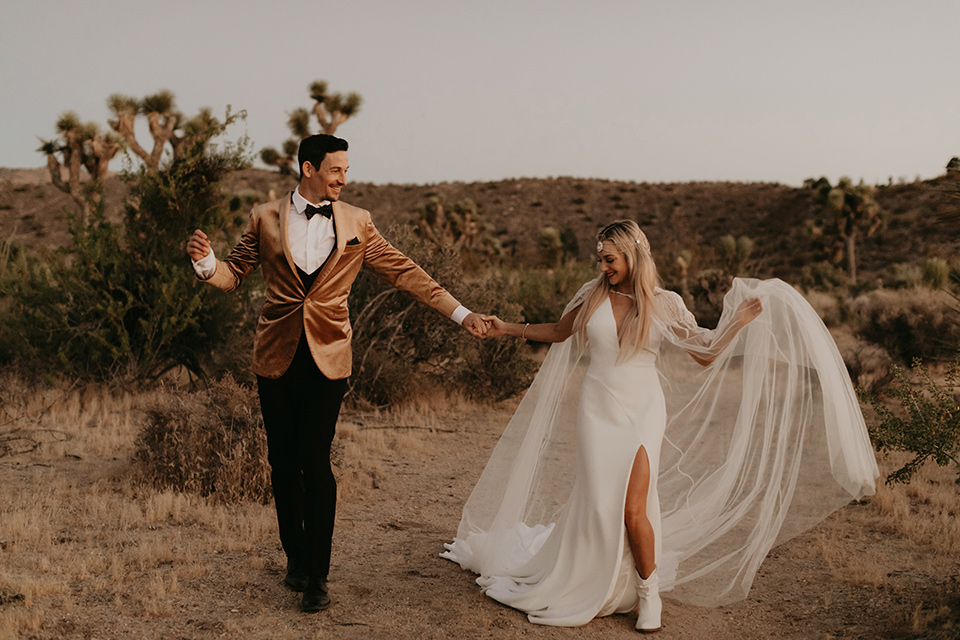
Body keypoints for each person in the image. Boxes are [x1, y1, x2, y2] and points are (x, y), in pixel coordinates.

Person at [442, 220, 878, 632]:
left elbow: (703, 353)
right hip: (597, 407)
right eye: (600, 259)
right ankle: (590, 576)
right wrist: (506, 329)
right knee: (598, 503)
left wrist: (736, 323)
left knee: (634, 508)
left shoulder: (665, 302)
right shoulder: (591, 294)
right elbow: (559, 332)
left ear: (633, 254)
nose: (603, 267)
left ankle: (648, 594)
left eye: (609, 259)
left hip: (643, 409)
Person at [186, 134, 487, 613]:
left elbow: (406, 272)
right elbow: (233, 273)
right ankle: (296, 559)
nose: (344, 178)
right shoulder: (264, 218)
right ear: (308, 168)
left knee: (315, 462)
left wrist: (461, 313)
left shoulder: (357, 223)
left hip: (329, 358)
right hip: (275, 358)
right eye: (336, 170)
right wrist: (206, 265)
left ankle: (318, 578)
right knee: (282, 465)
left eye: (346, 170)